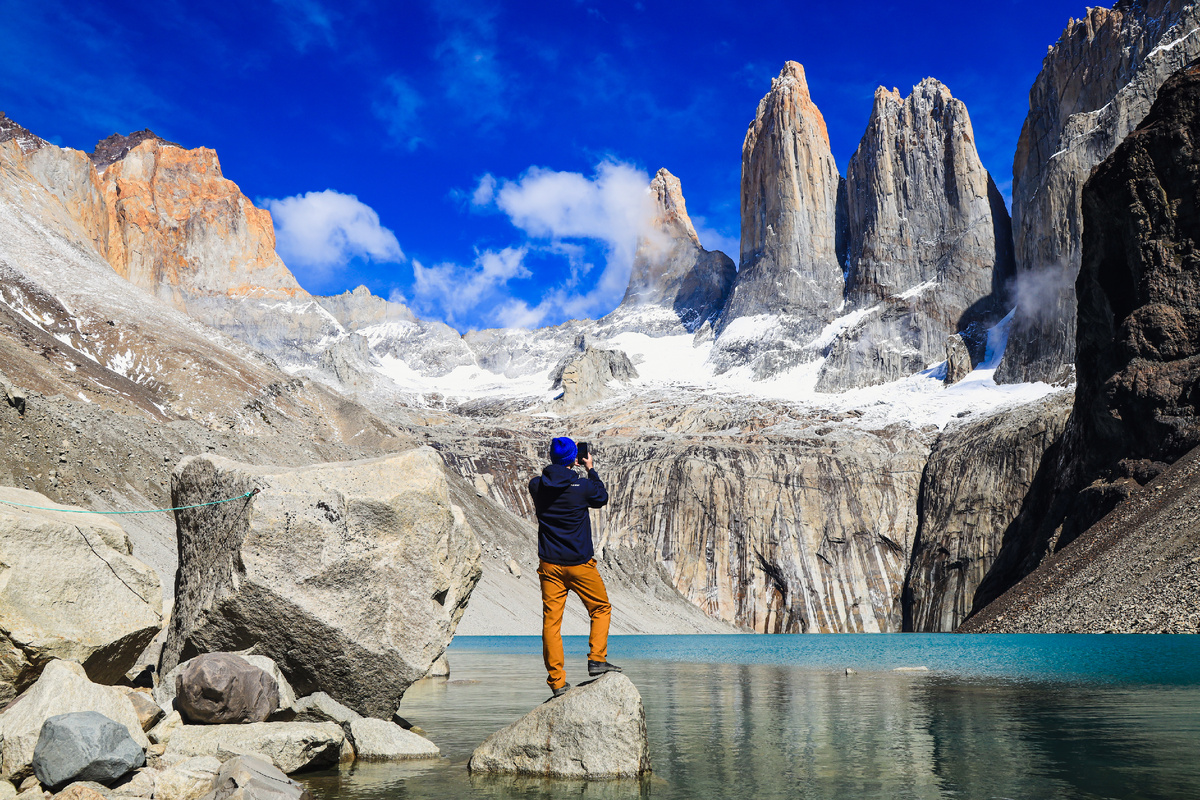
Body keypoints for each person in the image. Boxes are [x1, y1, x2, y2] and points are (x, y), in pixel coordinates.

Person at [528, 436, 622, 697]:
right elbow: (601, 497)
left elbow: (547, 482)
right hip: (580, 565)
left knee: (551, 623)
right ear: (574, 460)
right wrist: (590, 469)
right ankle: (597, 659)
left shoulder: (536, 485)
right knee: (600, 608)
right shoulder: (582, 487)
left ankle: (557, 682)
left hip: (550, 566)